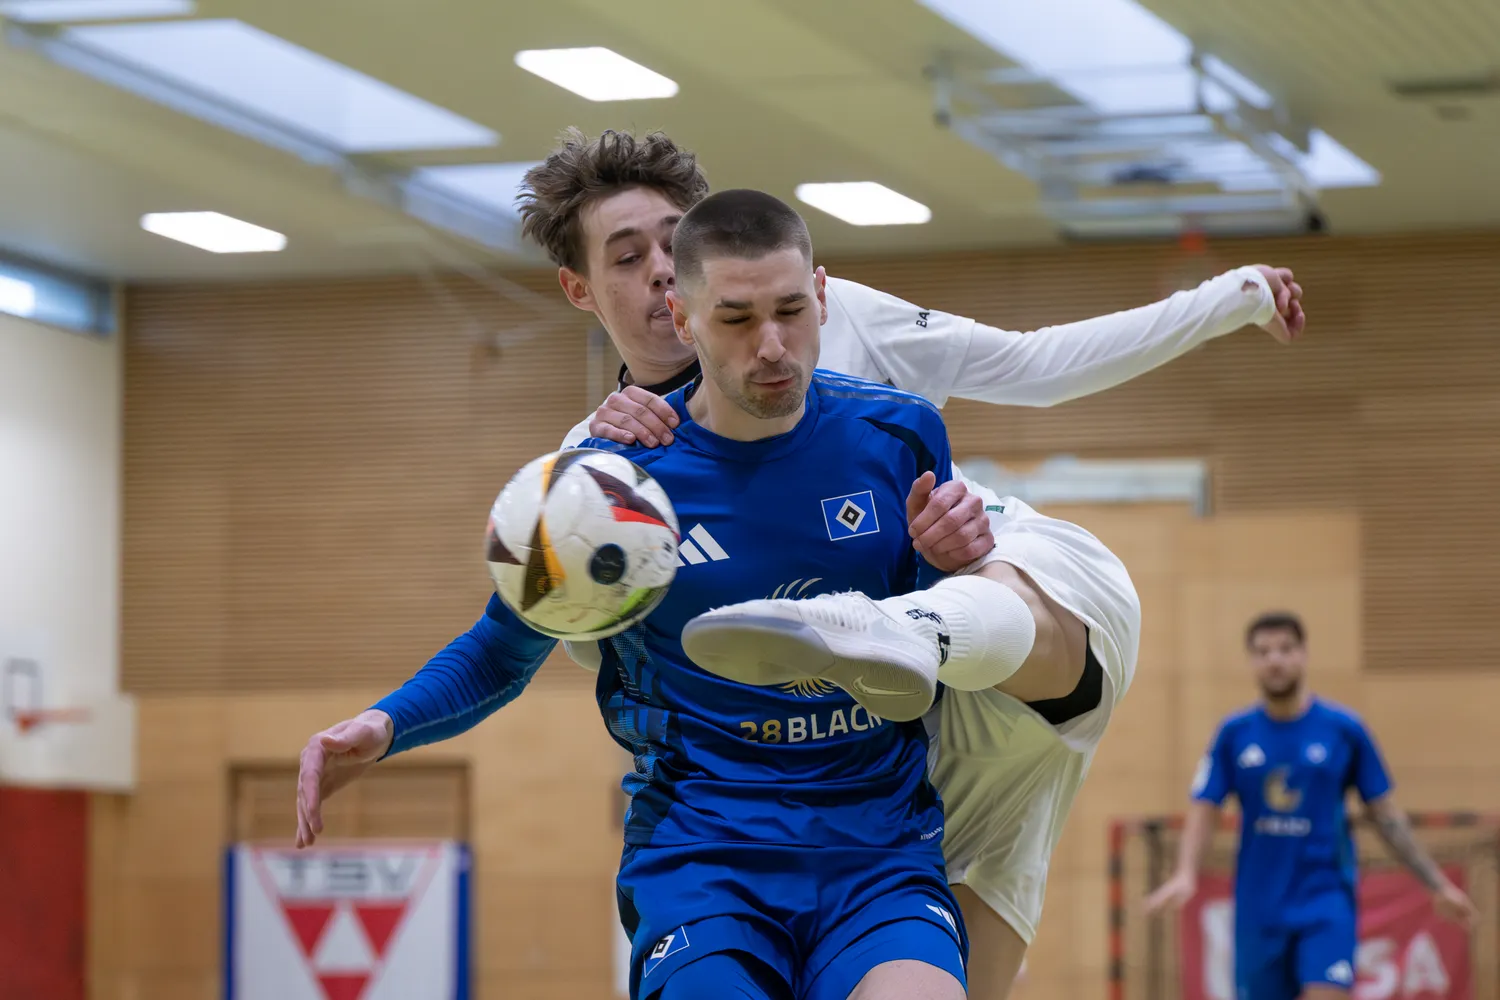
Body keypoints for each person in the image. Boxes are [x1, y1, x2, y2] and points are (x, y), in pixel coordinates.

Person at [533, 129, 1305, 999]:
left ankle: (904, 623)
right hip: (907, 757)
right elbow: (592, 652)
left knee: (982, 592)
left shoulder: (821, 311)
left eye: (673, 243)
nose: (659, 272)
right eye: (626, 258)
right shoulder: (596, 465)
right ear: (579, 288)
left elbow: (1034, 364)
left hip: (1002, 602)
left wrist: (1229, 298)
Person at [303, 190, 979, 1000]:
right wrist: (386, 724)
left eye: (791, 311)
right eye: (736, 319)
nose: (772, 346)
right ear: (682, 318)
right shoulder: (616, 487)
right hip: (705, 861)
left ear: (823, 296)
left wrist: (947, 567)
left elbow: (927, 639)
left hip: (879, 852)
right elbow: (504, 649)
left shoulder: (901, 435)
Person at [1144, 611, 1477, 1000]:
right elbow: (1205, 807)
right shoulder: (1234, 734)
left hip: (1325, 899)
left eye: (1285, 649)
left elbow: (1385, 816)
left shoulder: (1344, 730)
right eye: (1263, 651)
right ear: (1252, 661)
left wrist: (1437, 884)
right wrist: (1186, 872)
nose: (1275, 660)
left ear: (1303, 654)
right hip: (1259, 908)